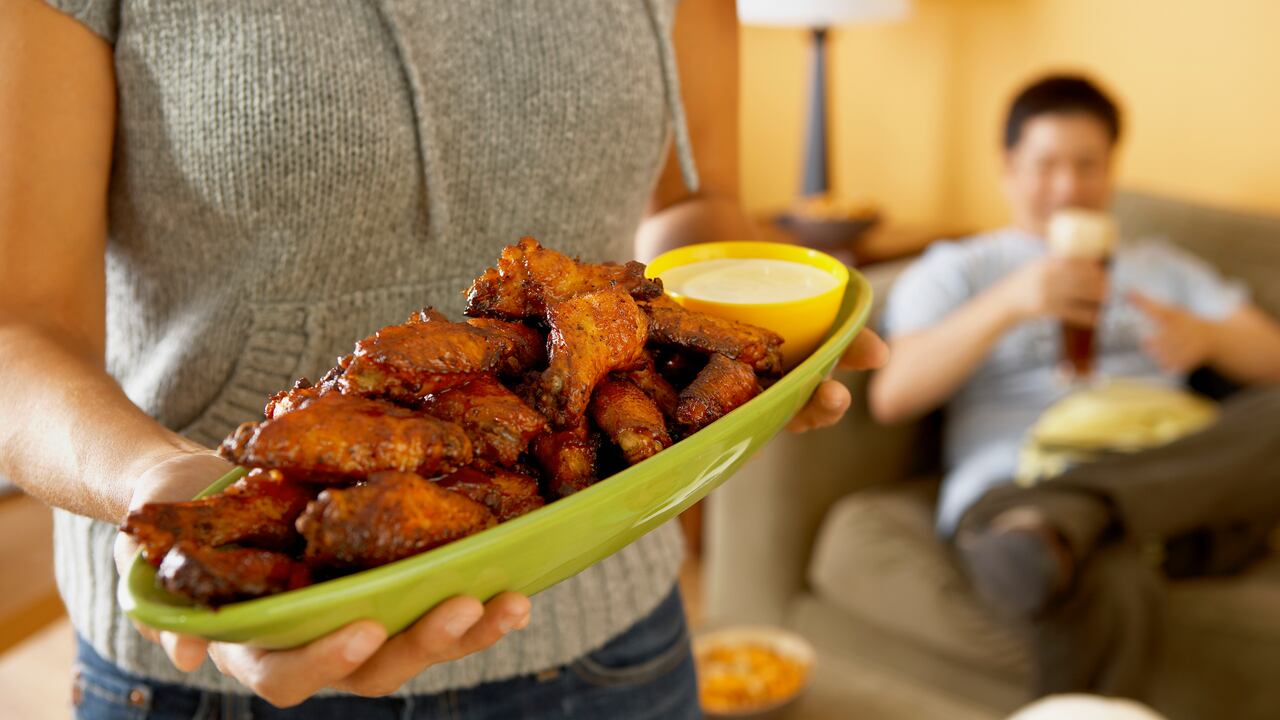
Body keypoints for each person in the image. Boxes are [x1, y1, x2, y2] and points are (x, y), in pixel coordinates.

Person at [0, 1, 887, 717]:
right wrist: (160, 482)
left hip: (604, 626)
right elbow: (17, 327)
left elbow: (700, 200)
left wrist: (757, 337)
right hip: (237, 645)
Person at [870, 74, 1280, 695]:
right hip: (1017, 477)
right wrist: (1009, 303)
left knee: (1063, 537)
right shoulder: (961, 269)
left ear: (1111, 169)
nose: (1068, 186)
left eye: (1087, 165)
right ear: (1009, 169)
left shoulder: (1162, 267)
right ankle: (1061, 528)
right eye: (1047, 164)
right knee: (1107, 579)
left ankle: (1065, 516)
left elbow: (1272, 359)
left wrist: (1212, 337)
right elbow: (892, 393)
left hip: (1171, 480)